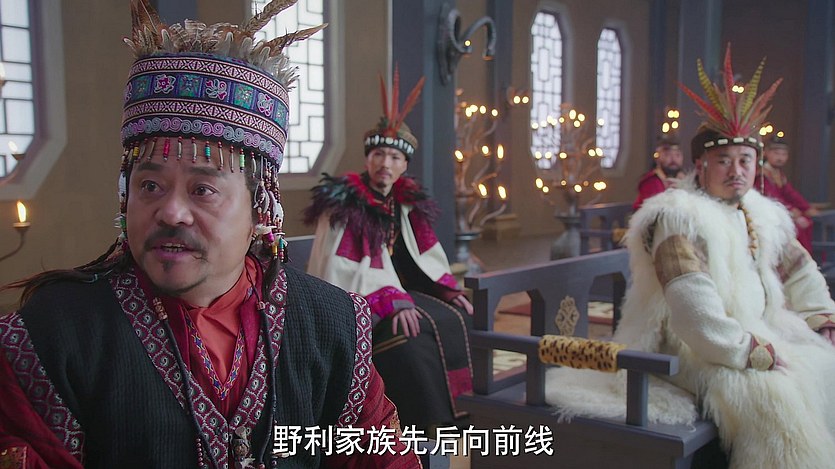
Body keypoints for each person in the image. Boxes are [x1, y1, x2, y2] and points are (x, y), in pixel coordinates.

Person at [0, 1, 420, 467]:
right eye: (150, 186)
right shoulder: (54, 336)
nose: (171, 212)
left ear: (260, 207)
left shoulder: (330, 324)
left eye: (203, 189)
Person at [547, 46, 835, 469]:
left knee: (825, 361)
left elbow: (799, 270)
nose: (736, 170)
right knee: (776, 398)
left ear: (756, 165)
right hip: (686, 347)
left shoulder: (760, 211)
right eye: (723, 161)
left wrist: (821, 318)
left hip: (753, 331)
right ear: (700, 164)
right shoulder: (677, 216)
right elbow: (691, 306)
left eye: (745, 160)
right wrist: (746, 350)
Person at [304, 70, 474, 434]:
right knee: (410, 336)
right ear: (368, 159)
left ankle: (462, 409)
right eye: (379, 154)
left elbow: (421, 255)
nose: (385, 163)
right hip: (357, 298)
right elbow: (341, 267)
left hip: (400, 289)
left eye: (395, 157)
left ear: (405, 165)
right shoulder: (344, 203)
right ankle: (424, 421)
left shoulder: (406, 203)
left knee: (455, 316)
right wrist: (392, 300)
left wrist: (444, 289)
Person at [758, 134, 819, 252]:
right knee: (798, 227)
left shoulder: (778, 174)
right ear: (766, 153)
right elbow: (772, 198)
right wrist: (791, 211)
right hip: (771, 214)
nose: (780, 158)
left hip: (784, 211)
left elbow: (791, 194)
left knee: (809, 221)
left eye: (783, 154)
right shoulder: (762, 175)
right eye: (776, 153)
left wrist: (806, 208)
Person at [632, 133, 685, 211]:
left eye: (677, 155)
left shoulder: (686, 180)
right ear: (657, 158)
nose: (673, 159)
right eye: (667, 155)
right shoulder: (651, 181)